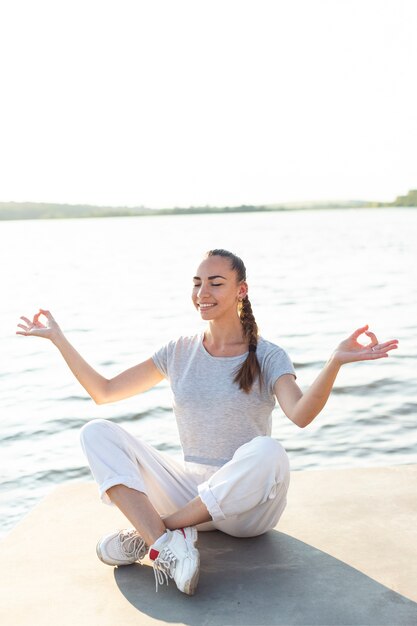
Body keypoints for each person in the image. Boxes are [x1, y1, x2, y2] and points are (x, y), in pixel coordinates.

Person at [17, 248, 398, 596]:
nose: (203, 292)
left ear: (240, 290)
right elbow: (104, 391)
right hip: (191, 491)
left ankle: (154, 530)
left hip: (246, 509)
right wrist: (58, 339)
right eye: (197, 283)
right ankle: (166, 546)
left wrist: (334, 361)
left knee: (268, 452)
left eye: (216, 283)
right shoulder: (178, 351)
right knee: (96, 431)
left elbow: (300, 415)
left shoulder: (267, 355)